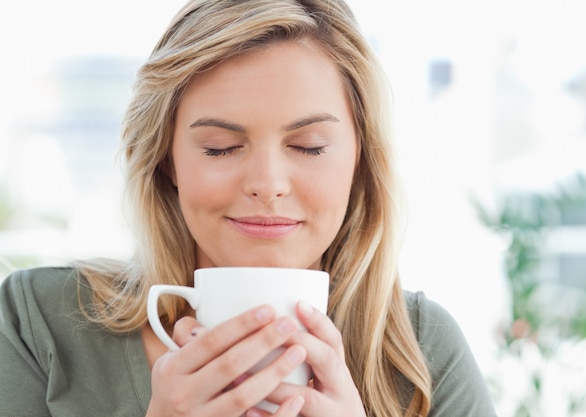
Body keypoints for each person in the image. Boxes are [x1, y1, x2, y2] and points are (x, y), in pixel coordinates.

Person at [0, 0, 497, 416]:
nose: (267, 185)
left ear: (360, 161)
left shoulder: (423, 353)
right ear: (166, 160)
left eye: (309, 146)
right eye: (219, 147)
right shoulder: (38, 321)